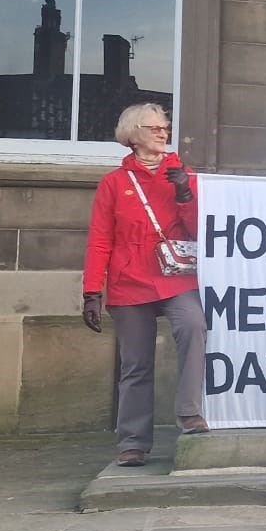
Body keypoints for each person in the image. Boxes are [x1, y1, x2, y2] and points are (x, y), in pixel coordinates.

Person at [81, 103, 207, 467]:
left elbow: (202, 231)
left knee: (193, 325)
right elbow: (100, 239)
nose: (163, 133)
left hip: (175, 276)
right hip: (130, 281)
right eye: (154, 128)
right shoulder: (114, 183)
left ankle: (189, 412)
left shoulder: (182, 174)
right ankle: (133, 442)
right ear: (133, 135)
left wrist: (185, 194)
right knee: (136, 364)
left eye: (164, 127)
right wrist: (92, 291)